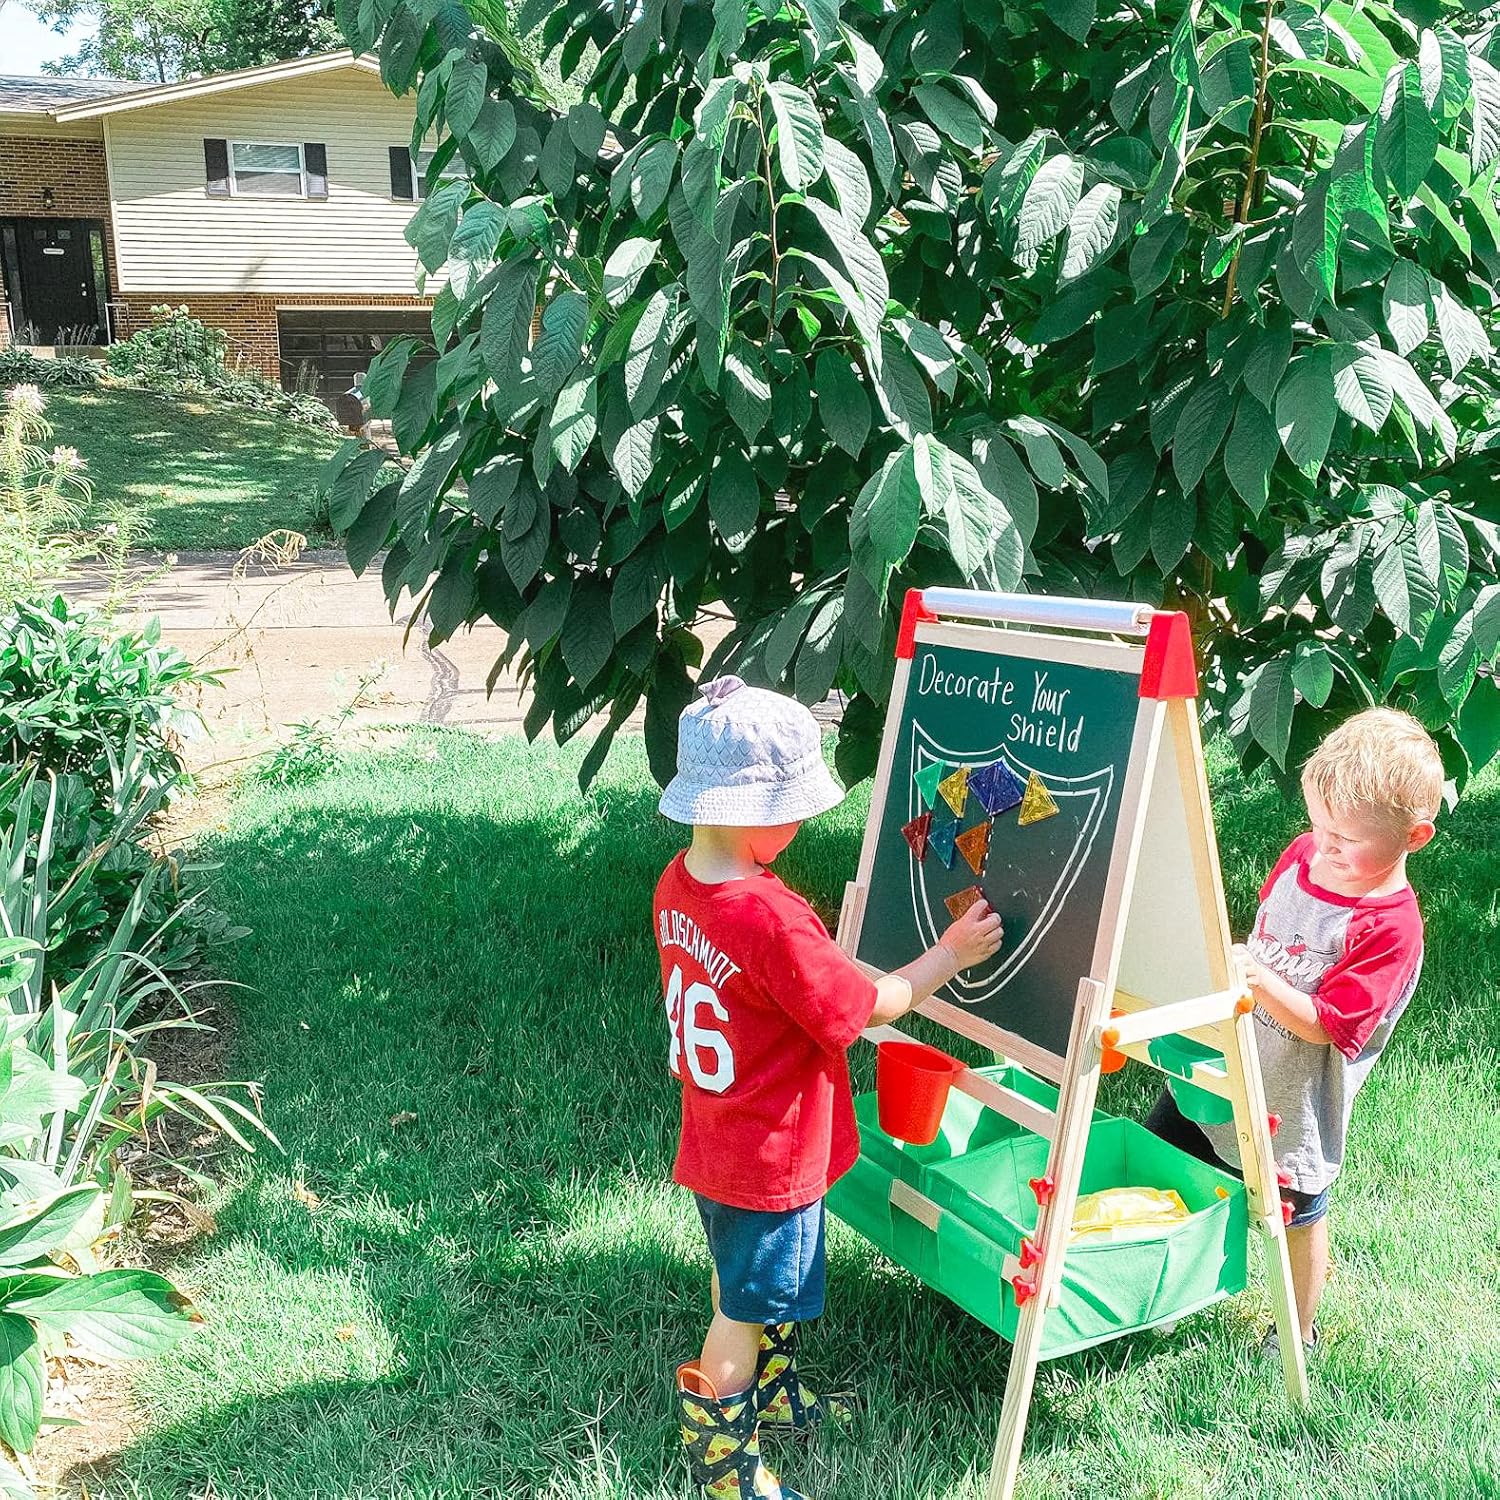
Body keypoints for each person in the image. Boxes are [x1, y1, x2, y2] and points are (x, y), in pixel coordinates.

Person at [654, 675, 1002, 1500]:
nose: (805, 821)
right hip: (768, 1156)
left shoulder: (679, 881)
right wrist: (946, 956)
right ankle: (725, 1466)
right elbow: (863, 1008)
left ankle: (769, 1393)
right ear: (756, 813)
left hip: (714, 1134)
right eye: (796, 807)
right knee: (739, 1309)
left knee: (736, 1278)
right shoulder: (772, 920)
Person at [1146, 707, 1442, 1354]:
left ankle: (1295, 1332)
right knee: (1166, 1160)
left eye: (1346, 839)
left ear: (1413, 837)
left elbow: (1326, 1028)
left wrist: (1259, 981)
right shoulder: (1307, 854)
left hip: (1293, 1100)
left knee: (1296, 1218)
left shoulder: (1389, 929)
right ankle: (1162, 1290)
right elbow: (1268, 928)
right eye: (1317, 825)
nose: (1323, 845)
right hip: (1224, 1058)